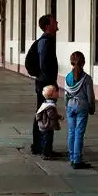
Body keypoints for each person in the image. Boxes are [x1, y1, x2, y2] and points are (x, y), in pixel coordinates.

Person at [31, 14, 59, 157]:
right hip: (45, 84)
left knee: (42, 113)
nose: (57, 22)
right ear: (48, 26)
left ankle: (39, 146)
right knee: (46, 115)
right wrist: (52, 85)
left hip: (43, 82)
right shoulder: (46, 41)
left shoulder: (46, 40)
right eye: (54, 21)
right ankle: (45, 149)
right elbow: (44, 65)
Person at [64, 51, 95, 169]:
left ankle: (72, 157)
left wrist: (66, 106)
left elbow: (66, 94)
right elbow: (90, 96)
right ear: (84, 62)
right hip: (82, 106)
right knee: (79, 133)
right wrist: (91, 106)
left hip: (70, 105)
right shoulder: (87, 78)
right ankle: (77, 160)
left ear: (71, 62)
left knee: (71, 132)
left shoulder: (67, 77)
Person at [35, 84, 62, 160]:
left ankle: (48, 151)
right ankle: (45, 153)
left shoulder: (46, 103)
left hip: (46, 126)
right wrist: (58, 116)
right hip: (47, 126)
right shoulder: (50, 106)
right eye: (56, 91)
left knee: (47, 139)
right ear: (51, 95)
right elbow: (51, 115)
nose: (57, 92)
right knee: (47, 140)